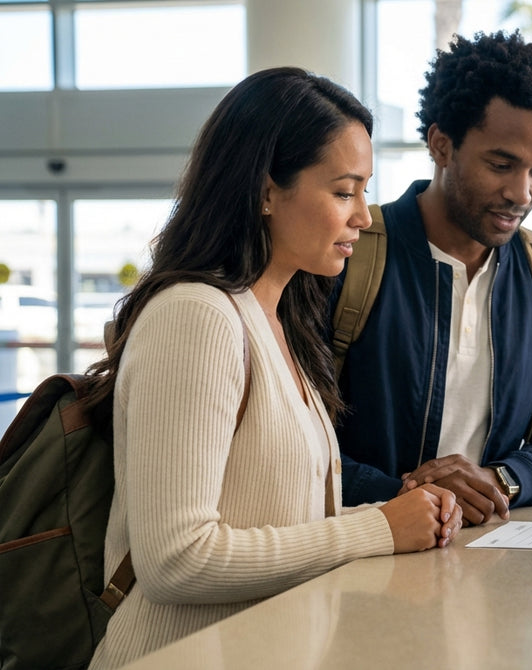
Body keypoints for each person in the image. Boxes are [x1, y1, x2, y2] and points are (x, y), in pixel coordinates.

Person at [85, 67, 463, 669]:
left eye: (365, 191)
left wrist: (392, 515)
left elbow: (276, 521)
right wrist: (378, 531)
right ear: (265, 191)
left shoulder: (278, 319)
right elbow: (176, 561)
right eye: (344, 191)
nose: (364, 216)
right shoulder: (196, 317)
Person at [333, 30, 532, 524]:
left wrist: (502, 481)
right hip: (346, 559)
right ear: (441, 145)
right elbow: (286, 443)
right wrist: (408, 496)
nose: (522, 193)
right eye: (502, 164)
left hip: (481, 563)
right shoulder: (345, 260)